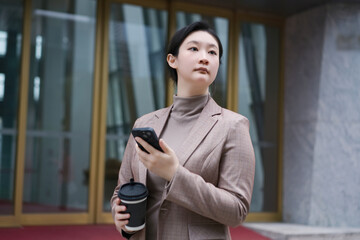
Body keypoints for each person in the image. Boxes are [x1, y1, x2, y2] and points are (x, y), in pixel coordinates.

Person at [111, 21, 255, 240]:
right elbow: (122, 188)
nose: (204, 57)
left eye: (213, 52)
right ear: (172, 60)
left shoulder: (233, 126)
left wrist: (174, 174)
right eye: (194, 48)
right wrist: (119, 214)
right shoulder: (144, 123)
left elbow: (236, 210)